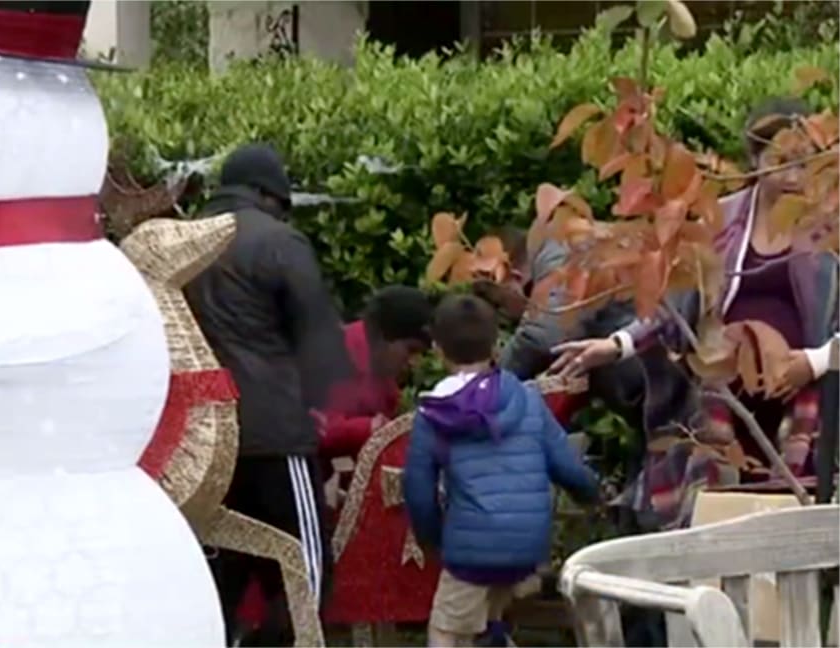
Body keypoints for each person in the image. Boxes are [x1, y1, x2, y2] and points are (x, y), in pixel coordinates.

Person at [550, 97, 839, 525]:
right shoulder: (720, 219)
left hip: (803, 401)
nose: (793, 176)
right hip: (720, 398)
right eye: (780, 161)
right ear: (755, 161)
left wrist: (812, 363)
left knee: (793, 519)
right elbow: (676, 305)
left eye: (804, 161)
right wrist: (618, 344)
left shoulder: (831, 225)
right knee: (716, 518)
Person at [184, 142, 353, 646]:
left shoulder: (181, 241)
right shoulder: (279, 241)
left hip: (202, 443)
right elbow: (317, 332)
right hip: (272, 433)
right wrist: (321, 403)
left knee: (218, 581)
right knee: (305, 575)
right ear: (267, 193)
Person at [403, 294, 600, 648]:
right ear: (497, 343)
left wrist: (432, 540)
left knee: (448, 630)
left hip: (471, 549)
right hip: (527, 545)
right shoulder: (527, 399)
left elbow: (418, 491)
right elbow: (567, 468)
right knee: (490, 617)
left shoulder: (433, 414)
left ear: (437, 348)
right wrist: (594, 495)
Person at [315, 285, 434, 476]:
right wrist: (371, 428)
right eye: (410, 351)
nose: (414, 363)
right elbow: (317, 430)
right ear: (382, 338)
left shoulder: (385, 381)